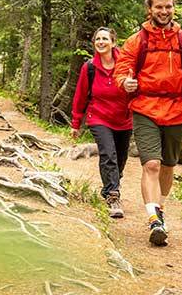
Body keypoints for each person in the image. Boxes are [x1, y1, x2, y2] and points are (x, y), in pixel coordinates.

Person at [113, 0, 182, 246]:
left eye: (168, 6)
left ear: (173, 8)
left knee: (168, 166)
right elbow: (121, 71)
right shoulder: (137, 41)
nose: (164, 11)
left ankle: (161, 209)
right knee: (151, 164)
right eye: (159, 6)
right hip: (145, 108)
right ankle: (153, 219)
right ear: (150, 8)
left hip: (178, 110)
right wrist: (126, 83)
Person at [70, 27, 133, 219]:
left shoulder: (126, 65)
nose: (101, 42)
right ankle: (113, 197)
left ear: (113, 42)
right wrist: (75, 123)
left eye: (105, 38)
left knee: (120, 159)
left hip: (124, 119)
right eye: (98, 39)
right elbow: (80, 96)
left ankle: (110, 185)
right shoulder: (89, 67)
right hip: (98, 117)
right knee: (108, 154)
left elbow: (139, 89)